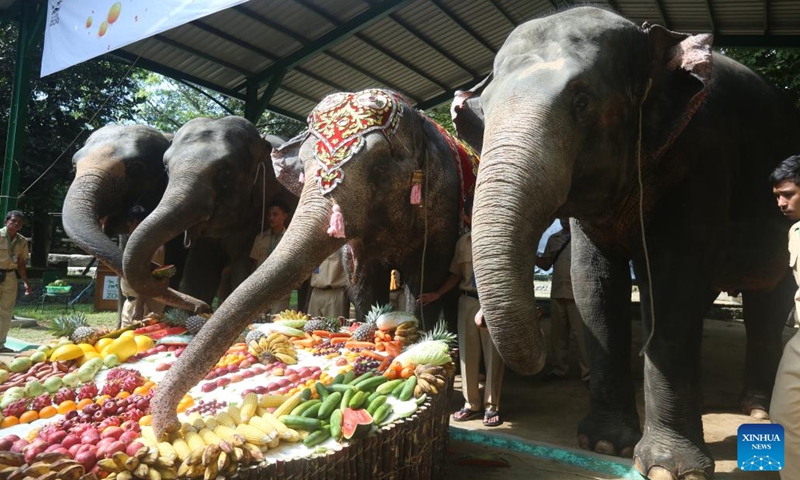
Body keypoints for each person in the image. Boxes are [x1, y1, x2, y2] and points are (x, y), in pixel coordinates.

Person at [419, 198, 505, 426]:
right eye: (475, 213)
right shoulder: (463, 243)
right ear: (467, 218)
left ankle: (491, 405)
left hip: (492, 301)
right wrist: (438, 294)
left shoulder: (498, 240)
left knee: (493, 355)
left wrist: (493, 305)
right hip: (467, 302)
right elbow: (456, 274)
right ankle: (471, 403)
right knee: (467, 355)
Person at [769, 154, 800, 480]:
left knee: (784, 415)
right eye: (776, 196)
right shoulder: (795, 231)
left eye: (787, 194)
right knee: (782, 414)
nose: (780, 202)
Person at [536, 218, 591, 384]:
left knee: (582, 337)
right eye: (562, 216)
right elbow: (545, 265)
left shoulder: (585, 237)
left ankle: (588, 375)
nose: (565, 220)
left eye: (569, 216)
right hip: (558, 293)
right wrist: (529, 253)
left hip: (579, 295)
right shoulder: (554, 239)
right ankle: (559, 369)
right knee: (558, 336)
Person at [120, 206, 165, 325]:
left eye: (129, 225)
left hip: (143, 304)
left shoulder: (150, 245)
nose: (129, 229)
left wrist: (139, 307)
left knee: (139, 341)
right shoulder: (142, 242)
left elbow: (149, 277)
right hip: (132, 302)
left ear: (135, 223)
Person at [250, 199, 291, 315]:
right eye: (269, 215)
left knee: (277, 324)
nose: (271, 218)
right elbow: (254, 263)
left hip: (280, 289)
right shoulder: (261, 238)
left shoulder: (291, 239)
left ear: (285, 216)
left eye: (275, 214)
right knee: (258, 322)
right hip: (261, 289)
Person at [0, 211, 31, 353]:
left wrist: (26, 282)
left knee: (6, 311)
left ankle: (0, 344)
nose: (16, 224)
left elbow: (21, 263)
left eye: (19, 222)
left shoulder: (22, 241)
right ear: (6, 222)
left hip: (10, 276)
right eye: (13, 221)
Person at [307, 250, 350, 318]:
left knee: (335, 326)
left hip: (334, 293)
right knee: (312, 326)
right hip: (316, 292)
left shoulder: (342, 245)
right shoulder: (317, 246)